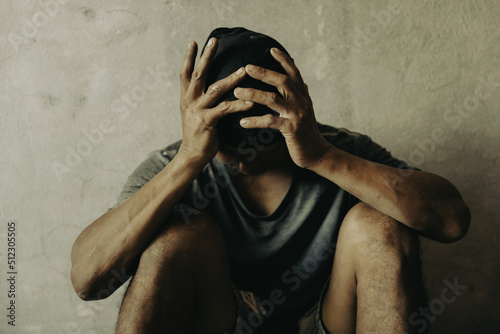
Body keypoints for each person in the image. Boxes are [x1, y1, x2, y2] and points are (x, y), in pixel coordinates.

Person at [70, 27, 471, 334]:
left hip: (329, 320)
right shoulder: (174, 163)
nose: (245, 162)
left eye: (266, 144)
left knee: (380, 225)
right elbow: (88, 281)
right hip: (219, 318)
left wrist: (322, 156)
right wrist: (191, 158)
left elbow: (452, 221)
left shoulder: (338, 150)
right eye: (231, 149)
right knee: (173, 238)